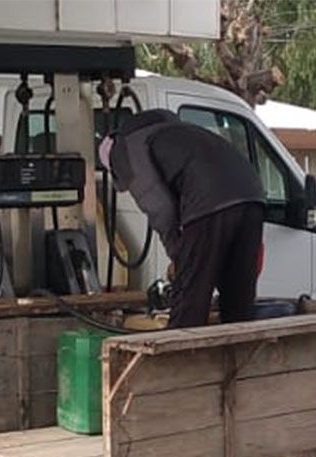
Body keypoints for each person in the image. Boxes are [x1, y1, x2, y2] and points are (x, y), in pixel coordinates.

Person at [98, 109, 265, 328]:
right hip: (252, 194)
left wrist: (178, 256)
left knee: (190, 300)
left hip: (209, 199)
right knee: (238, 299)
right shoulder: (177, 133)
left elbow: (160, 208)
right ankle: (240, 356)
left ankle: (177, 360)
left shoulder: (131, 149)